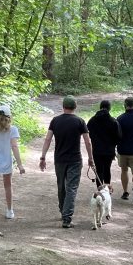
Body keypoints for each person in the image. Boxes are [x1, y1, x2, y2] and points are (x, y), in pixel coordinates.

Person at [39, 95, 95, 228]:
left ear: (63, 106)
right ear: (75, 107)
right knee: (72, 188)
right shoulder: (80, 121)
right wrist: (91, 158)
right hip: (75, 159)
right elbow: (88, 141)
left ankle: (63, 211)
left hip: (59, 159)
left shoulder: (55, 121)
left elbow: (47, 139)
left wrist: (43, 157)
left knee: (61, 186)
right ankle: (67, 218)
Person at [86, 99, 122, 188]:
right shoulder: (113, 121)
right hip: (109, 150)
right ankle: (106, 190)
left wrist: (94, 140)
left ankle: (100, 189)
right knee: (107, 169)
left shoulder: (92, 120)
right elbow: (119, 137)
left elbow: (87, 132)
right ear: (109, 108)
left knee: (99, 170)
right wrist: (113, 144)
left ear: (100, 107)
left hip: (97, 150)